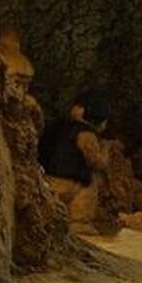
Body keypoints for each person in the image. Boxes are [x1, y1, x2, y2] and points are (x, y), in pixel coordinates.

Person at [39, 87, 111, 225]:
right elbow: (96, 162)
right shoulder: (86, 134)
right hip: (72, 185)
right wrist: (106, 150)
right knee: (90, 187)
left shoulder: (56, 126)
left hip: (47, 181)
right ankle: (80, 224)